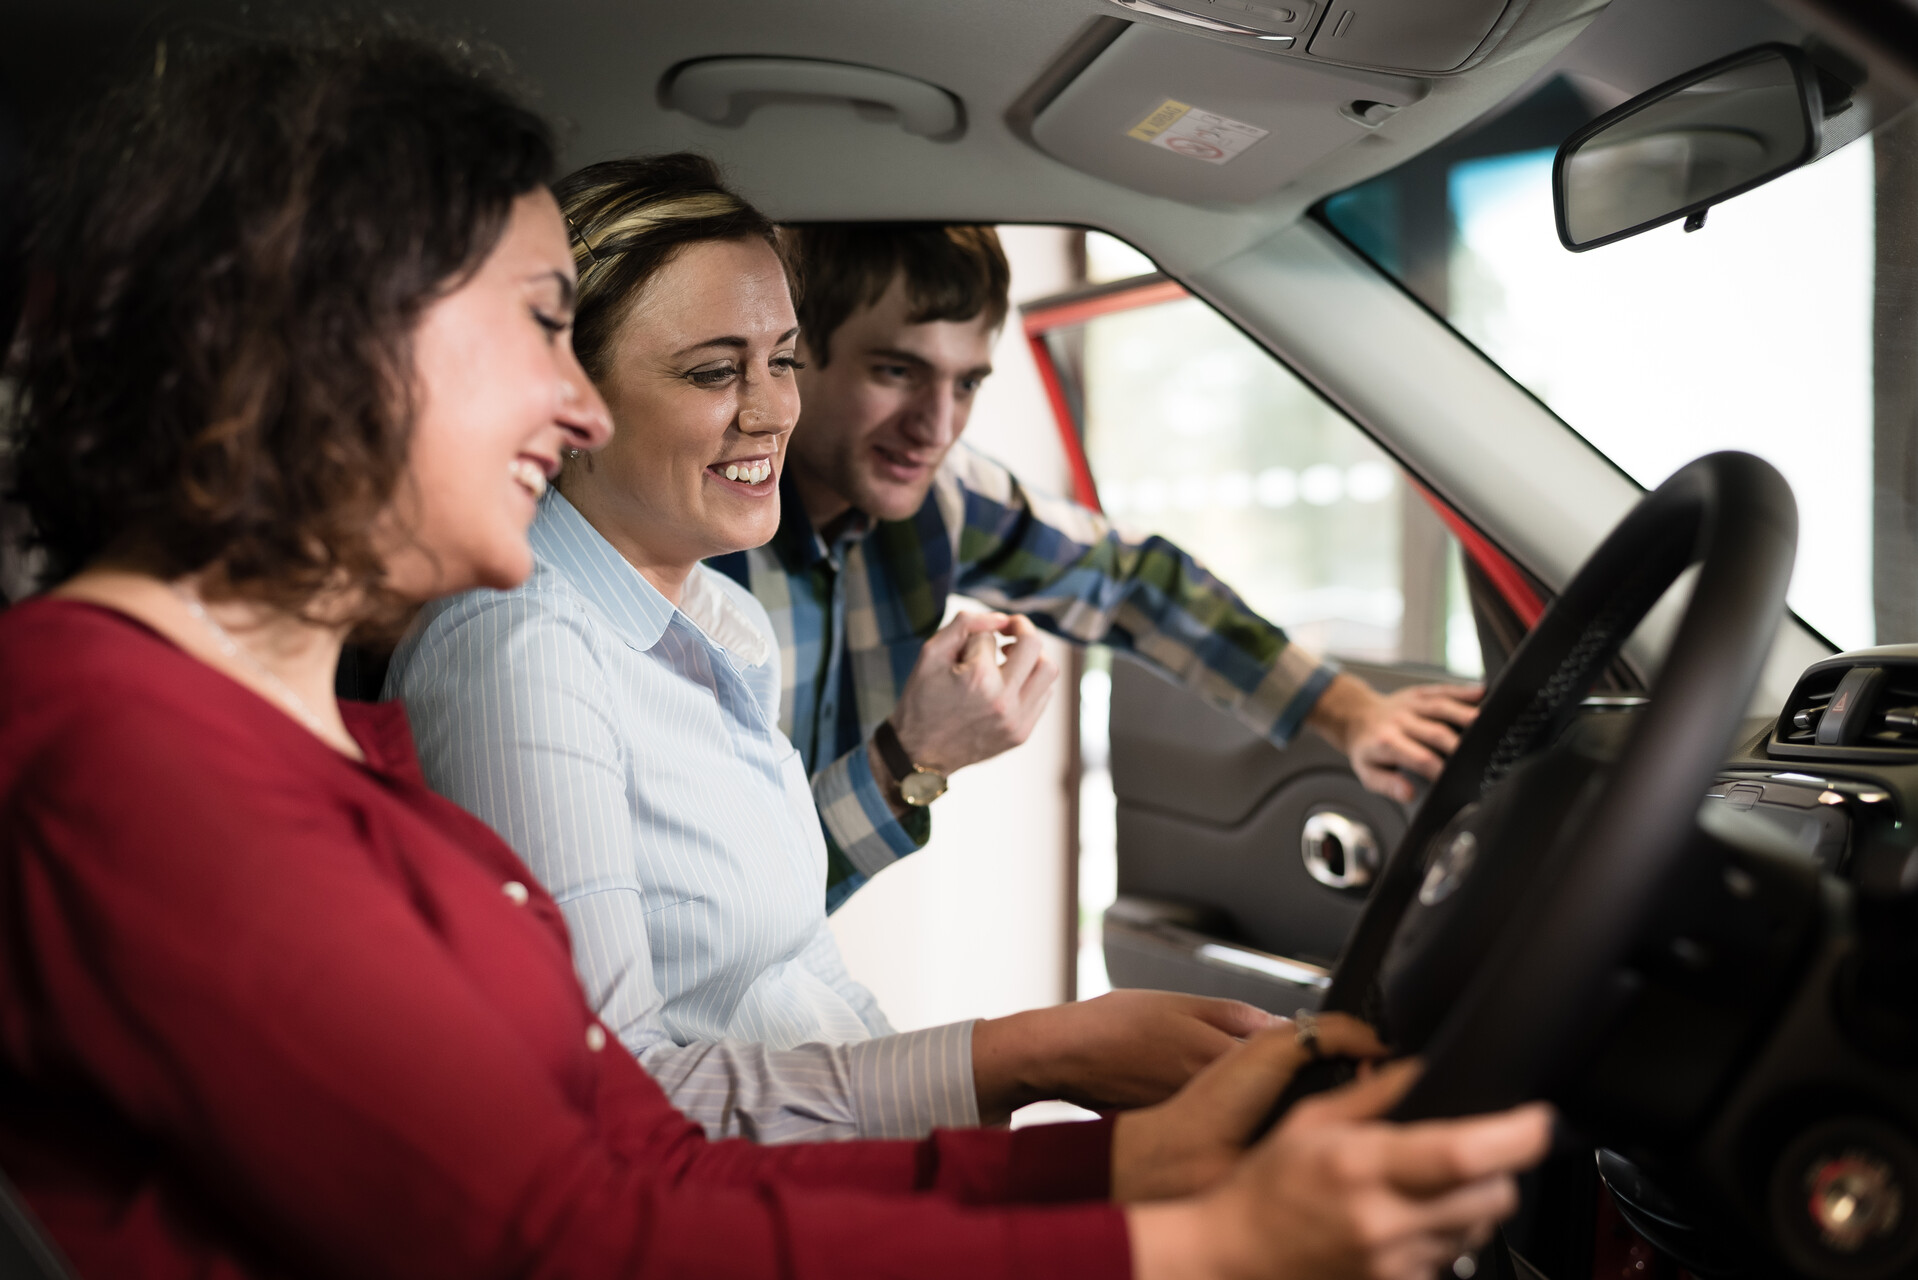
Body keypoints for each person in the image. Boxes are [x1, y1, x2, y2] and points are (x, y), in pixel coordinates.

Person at [0, 26, 1554, 1280]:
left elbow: (629, 1154)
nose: (578, 407)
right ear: (330, 338)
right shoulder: (122, 757)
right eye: (539, 327)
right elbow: (569, 1238)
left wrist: (1114, 1164)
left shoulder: (328, 763)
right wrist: (1180, 1244)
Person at [385, 153, 1280, 1144]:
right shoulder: (523, 657)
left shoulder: (716, 626)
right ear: (567, 402)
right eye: (716, 370)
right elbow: (603, 1104)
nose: (771, 410)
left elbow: (799, 976)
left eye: (781, 358)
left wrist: (970, 1149)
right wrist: (1030, 1054)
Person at [708, 224, 1484, 906]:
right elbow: (731, 907)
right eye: (897, 371)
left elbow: (1131, 583)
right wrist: (913, 757)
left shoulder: (939, 498)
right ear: (794, 356)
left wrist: (1352, 714)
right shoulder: (695, 561)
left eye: (969, 382)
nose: (936, 427)